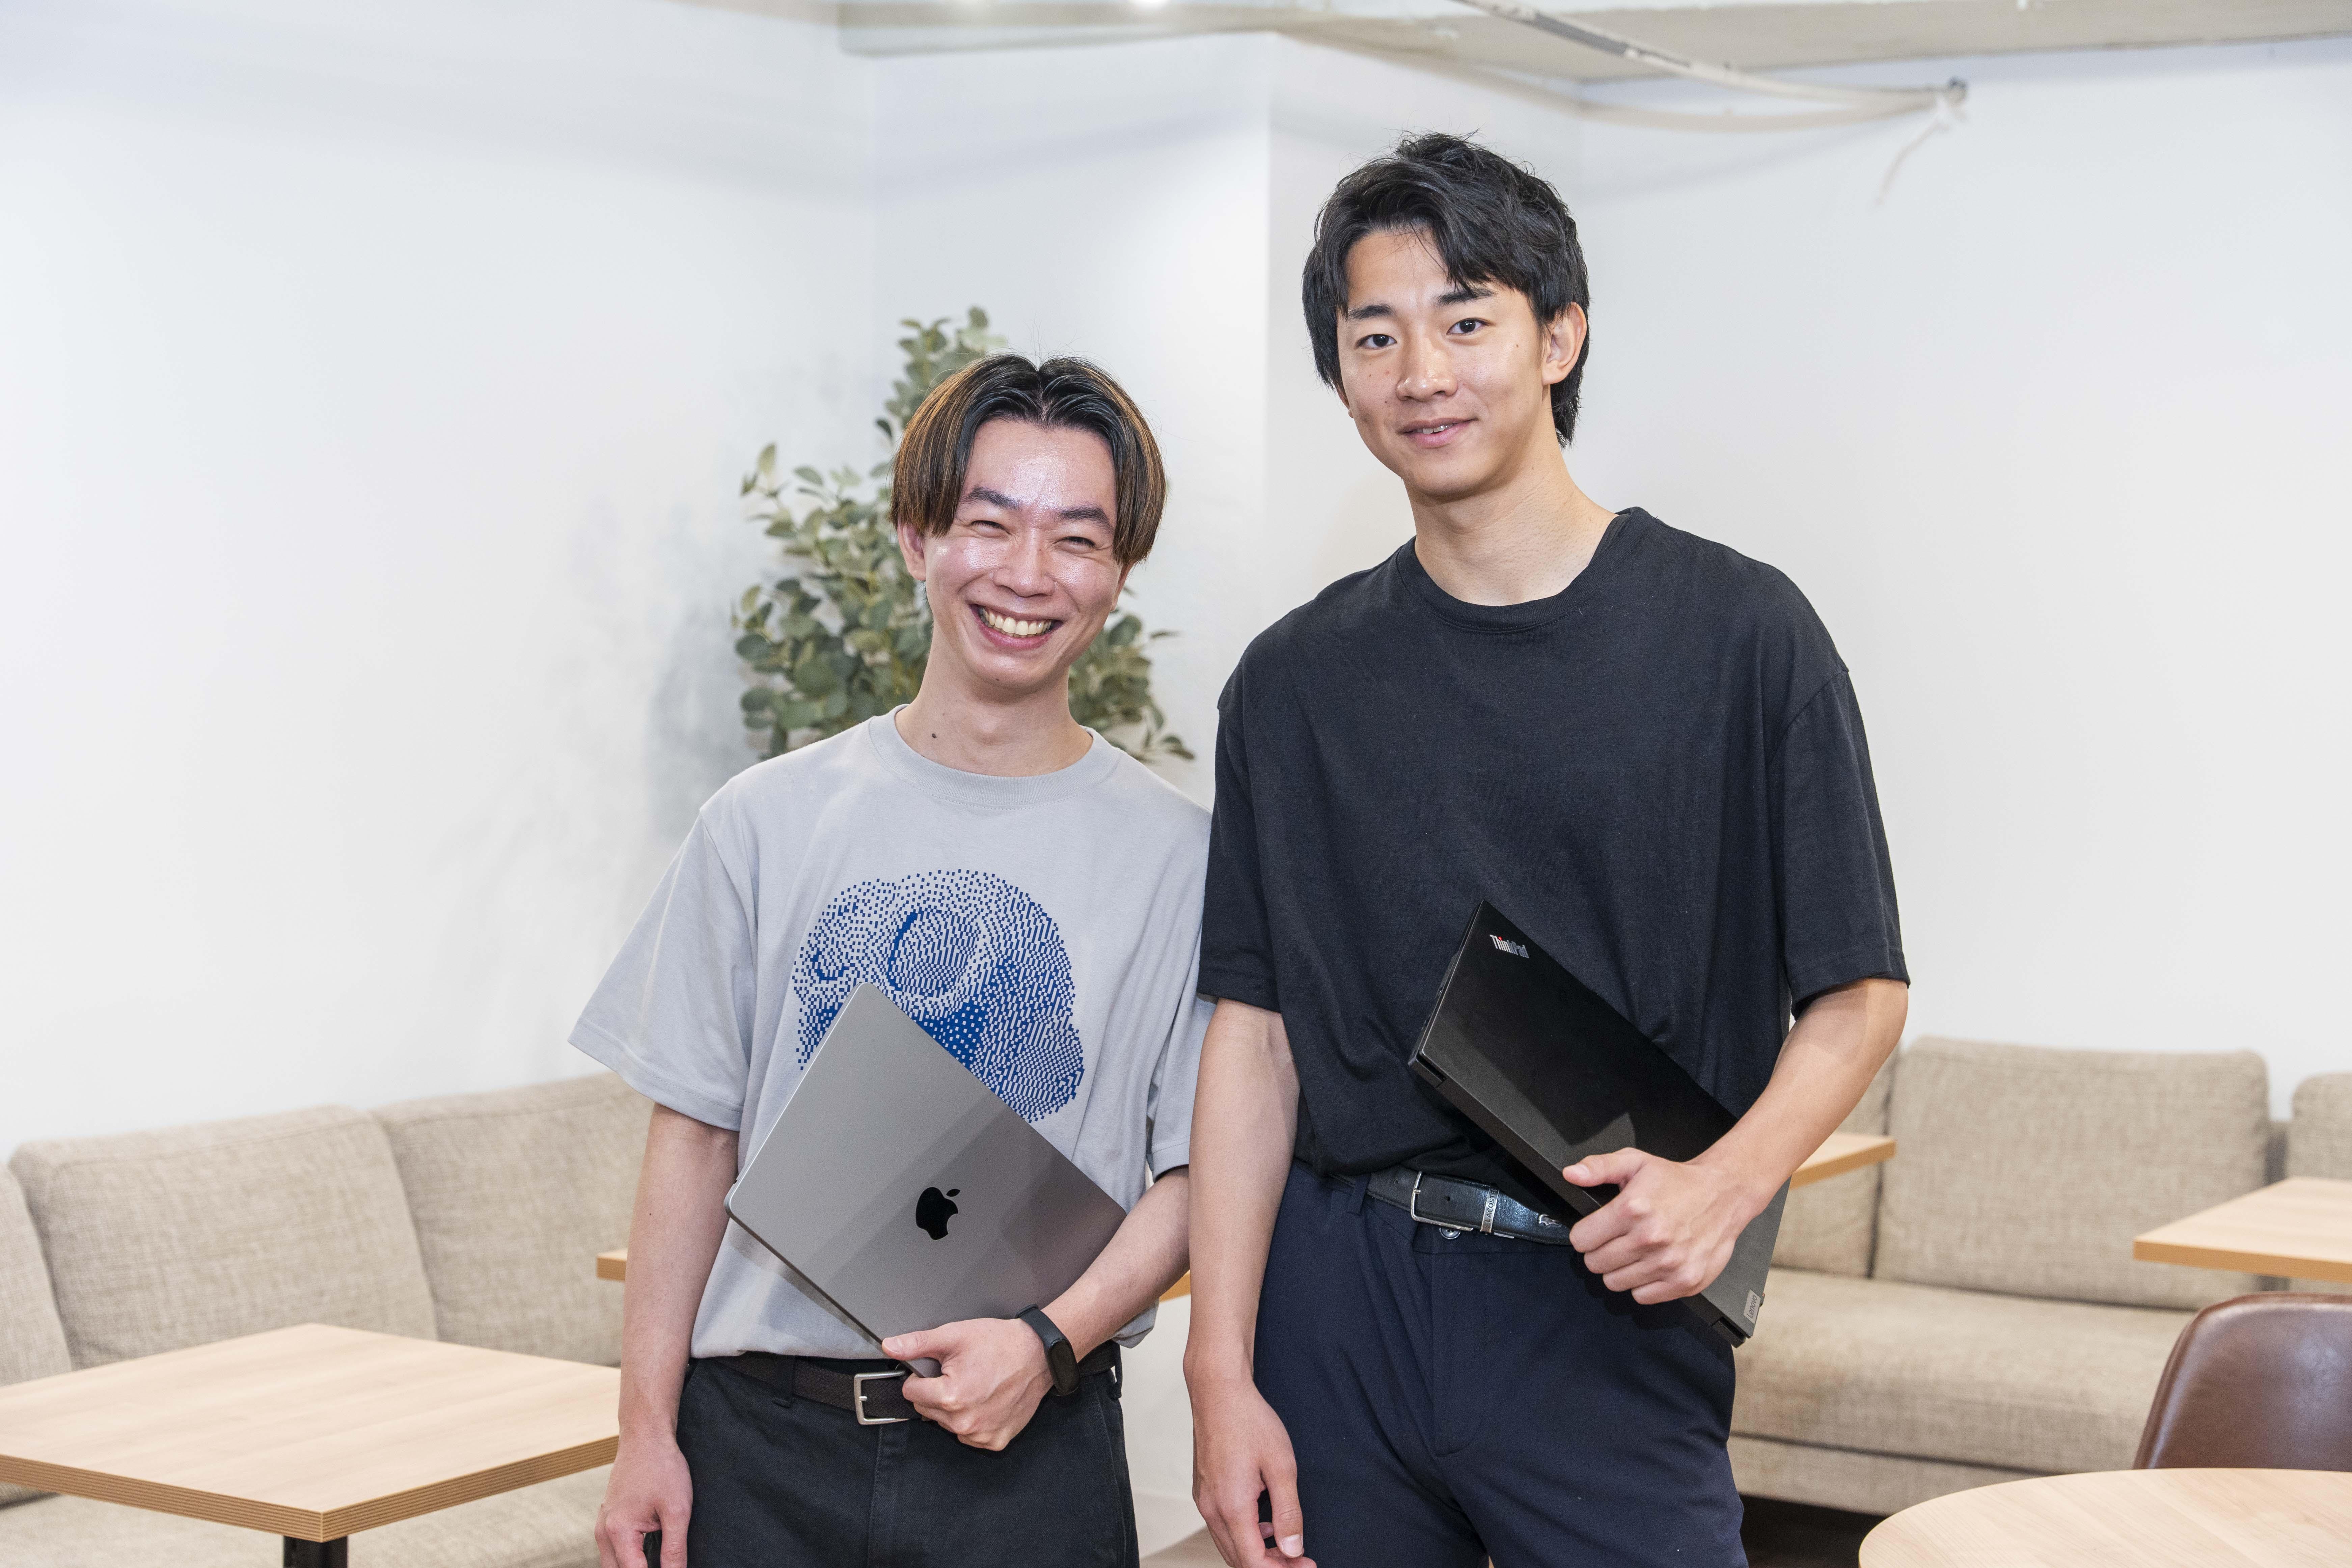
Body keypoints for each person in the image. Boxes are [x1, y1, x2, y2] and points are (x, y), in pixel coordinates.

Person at [1184, 133, 1911, 1568]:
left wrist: (1726, 1185)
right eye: (1375, 336)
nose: (1421, 372)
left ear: (1559, 336)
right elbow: (1253, 1042)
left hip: (1604, 1297)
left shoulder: (1742, 635)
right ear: (1341, 377)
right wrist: (1219, 1369)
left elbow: (1860, 992)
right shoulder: (1290, 683)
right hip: (1340, 1304)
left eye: (1466, 322)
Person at [576, 354, 1208, 1568]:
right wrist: (642, 1431)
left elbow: (1196, 1175)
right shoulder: (761, 821)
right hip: (759, 1451)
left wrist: (1049, 1342)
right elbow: (693, 1138)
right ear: (917, 541)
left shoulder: (1186, 860)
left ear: (1119, 574)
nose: (1028, 573)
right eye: (989, 523)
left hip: (1035, 1453)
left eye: (1077, 539)